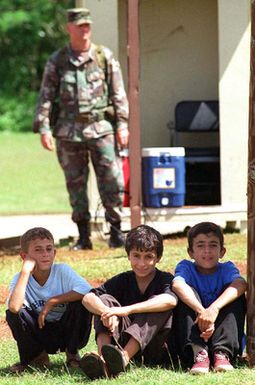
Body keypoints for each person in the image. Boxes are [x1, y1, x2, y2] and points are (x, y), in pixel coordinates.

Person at [33, 8, 129, 250]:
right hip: (69, 132)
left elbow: (118, 94)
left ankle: (116, 232)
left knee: (112, 180)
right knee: (75, 185)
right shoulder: (58, 60)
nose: (85, 30)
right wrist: (44, 128)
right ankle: (83, 236)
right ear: (70, 28)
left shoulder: (103, 56)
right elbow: (45, 96)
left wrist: (123, 125)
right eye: (80, 26)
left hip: (101, 129)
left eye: (88, 25)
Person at [79, 224, 177, 380]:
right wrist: (106, 311)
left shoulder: (164, 280)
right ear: (128, 255)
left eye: (148, 257)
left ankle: (124, 358)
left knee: (158, 304)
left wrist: (127, 310)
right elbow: (87, 298)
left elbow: (170, 301)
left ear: (158, 258)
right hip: (119, 344)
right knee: (103, 301)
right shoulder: (123, 279)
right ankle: (103, 360)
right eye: (136, 255)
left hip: (154, 347)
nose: (141, 263)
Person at [6, 227, 92, 373]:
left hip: (65, 331)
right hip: (39, 332)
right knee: (14, 313)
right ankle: (38, 358)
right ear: (24, 256)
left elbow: (87, 290)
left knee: (81, 302)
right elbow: (14, 308)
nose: (45, 254)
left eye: (49, 249)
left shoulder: (62, 271)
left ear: (55, 252)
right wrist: (25, 272)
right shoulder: (20, 278)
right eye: (38, 250)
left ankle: (72, 354)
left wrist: (53, 301)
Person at [171, 221, 247, 374]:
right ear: (191, 252)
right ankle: (199, 353)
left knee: (234, 294)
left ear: (222, 251)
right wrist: (202, 312)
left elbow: (241, 283)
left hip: (223, 331)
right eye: (200, 245)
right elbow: (177, 285)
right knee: (184, 294)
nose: (207, 251)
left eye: (213, 245)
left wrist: (214, 309)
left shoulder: (227, 268)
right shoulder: (186, 267)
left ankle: (222, 353)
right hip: (194, 333)